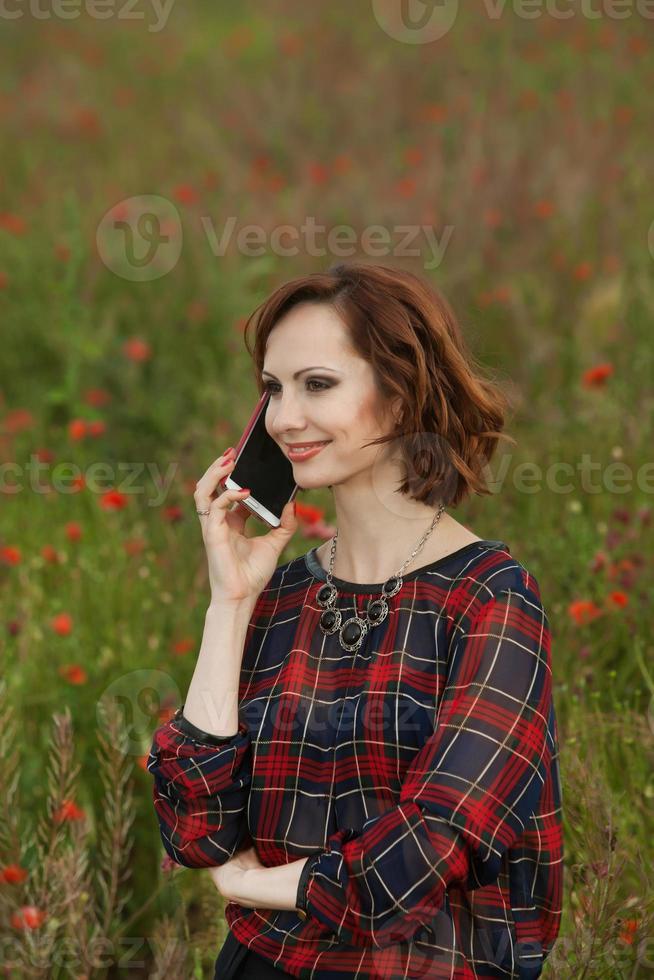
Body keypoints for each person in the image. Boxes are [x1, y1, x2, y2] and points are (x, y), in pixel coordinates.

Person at [147, 262, 564, 979]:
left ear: (401, 397)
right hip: (261, 965)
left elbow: (428, 852)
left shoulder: (491, 599)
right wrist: (230, 603)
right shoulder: (280, 597)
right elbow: (197, 828)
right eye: (272, 390)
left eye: (318, 384)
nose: (283, 419)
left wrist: (259, 886)